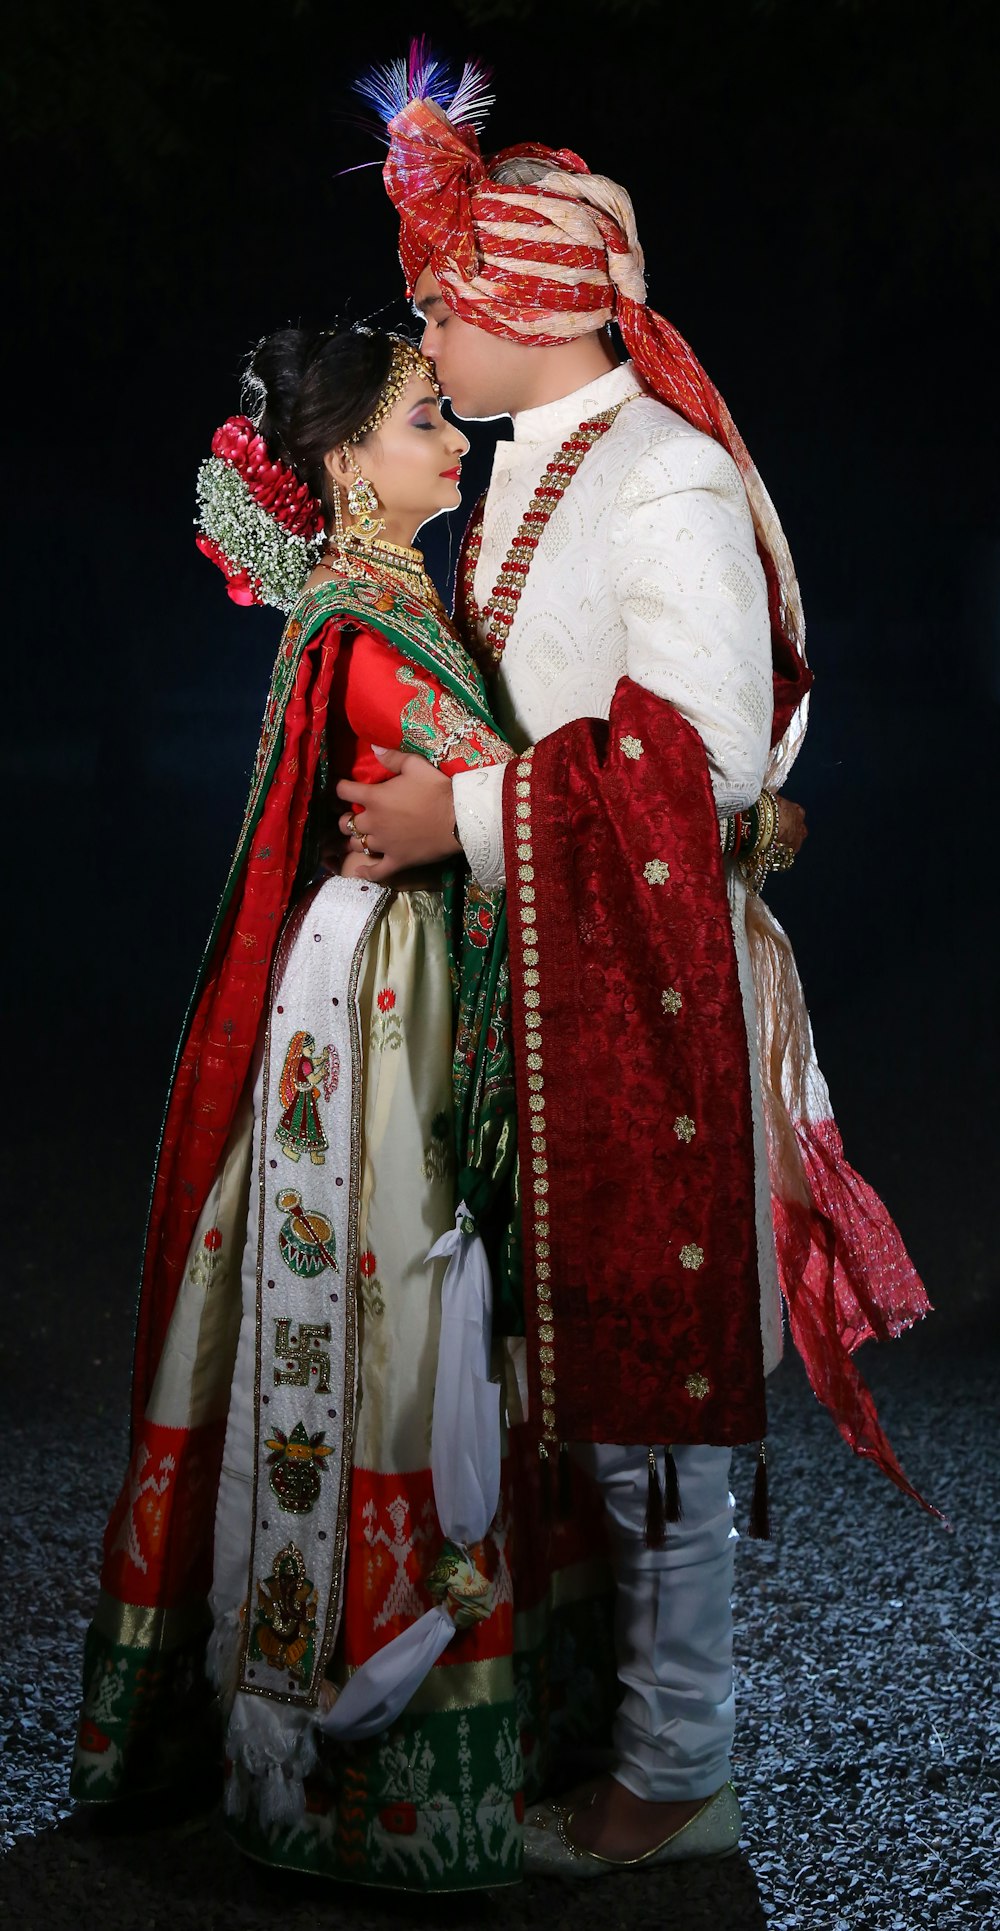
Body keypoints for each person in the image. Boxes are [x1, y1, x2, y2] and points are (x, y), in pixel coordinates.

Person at [331, 54, 937, 1875]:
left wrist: (469, 819)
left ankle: (677, 1777)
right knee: (562, 1388)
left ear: (526, 304)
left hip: (654, 992)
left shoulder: (660, 483)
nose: (427, 329)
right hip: (564, 977)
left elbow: (708, 760)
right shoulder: (529, 468)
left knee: (658, 1410)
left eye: (447, 296)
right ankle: (601, 1723)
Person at [71, 324, 623, 1893]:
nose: (452, 435)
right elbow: (505, 793)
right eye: (419, 418)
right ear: (344, 474)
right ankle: (378, 1768)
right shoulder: (370, 627)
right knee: (403, 1318)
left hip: (391, 978)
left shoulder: (389, 604)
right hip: (385, 1010)